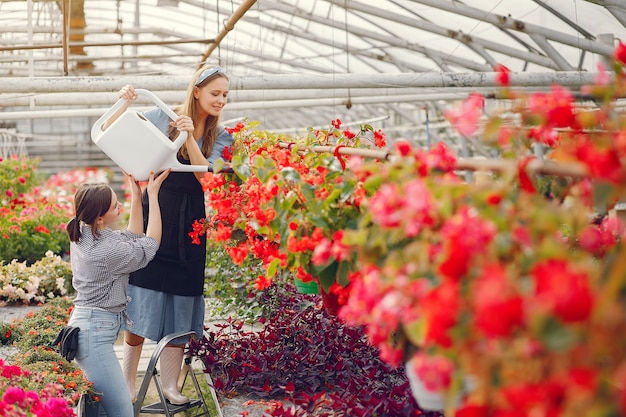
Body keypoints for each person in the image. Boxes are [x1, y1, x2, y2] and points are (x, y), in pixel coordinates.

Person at [107, 65, 234, 405]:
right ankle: (127, 381)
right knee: (142, 290)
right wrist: (123, 102)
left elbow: (206, 179)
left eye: (225, 95)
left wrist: (190, 135)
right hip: (157, 213)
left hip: (192, 222)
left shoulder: (222, 136)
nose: (221, 100)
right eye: (215, 93)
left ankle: (170, 385)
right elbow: (111, 130)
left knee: (182, 295)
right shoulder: (161, 115)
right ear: (197, 91)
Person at [66, 170, 170, 417]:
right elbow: (151, 243)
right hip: (94, 335)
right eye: (115, 205)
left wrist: (137, 195)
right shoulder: (106, 251)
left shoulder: (85, 233)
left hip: (89, 328)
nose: (119, 206)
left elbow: (133, 237)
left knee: (98, 412)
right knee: (123, 411)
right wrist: (153, 196)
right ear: (100, 218)